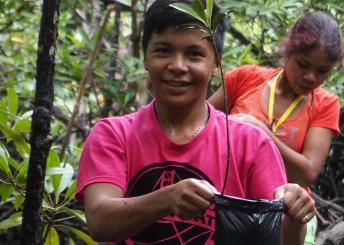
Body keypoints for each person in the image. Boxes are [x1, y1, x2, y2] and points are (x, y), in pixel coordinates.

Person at [76, 0, 315, 244]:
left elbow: (279, 240)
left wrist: (296, 216)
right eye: (163, 51)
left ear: (216, 64)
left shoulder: (251, 143)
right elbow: (99, 221)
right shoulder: (113, 134)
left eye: (194, 54)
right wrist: (167, 199)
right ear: (145, 56)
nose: (178, 66)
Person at [209, 11, 344, 245]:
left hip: (288, 213)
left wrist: (261, 132)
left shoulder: (325, 104)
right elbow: (199, 124)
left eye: (323, 71)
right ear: (288, 51)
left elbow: (307, 172)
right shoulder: (244, 79)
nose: (311, 77)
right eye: (303, 64)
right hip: (229, 202)